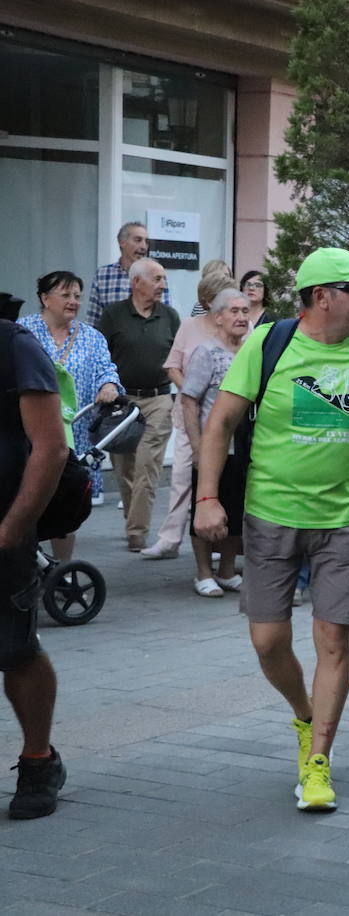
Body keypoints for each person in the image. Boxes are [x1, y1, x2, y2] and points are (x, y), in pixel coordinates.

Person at [193, 248, 349, 812]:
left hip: (343, 521)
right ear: (322, 297)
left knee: (334, 640)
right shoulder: (270, 344)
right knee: (268, 640)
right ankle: (304, 715)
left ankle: (318, 761)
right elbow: (221, 420)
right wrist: (206, 498)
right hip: (271, 515)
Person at [0, 318, 69, 819]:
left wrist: (12, 528)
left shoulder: (13, 344)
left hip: (3, 525)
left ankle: (38, 759)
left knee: (16, 649)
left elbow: (50, 446)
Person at [140, 272, 238, 561]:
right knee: (184, 478)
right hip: (191, 417)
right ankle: (170, 539)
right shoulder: (189, 326)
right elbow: (172, 366)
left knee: (227, 484)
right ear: (208, 301)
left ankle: (219, 543)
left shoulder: (237, 329)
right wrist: (193, 391)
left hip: (226, 424)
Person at [17, 272, 121, 524]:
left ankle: (62, 563)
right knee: (27, 497)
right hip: (31, 430)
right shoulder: (23, 331)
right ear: (45, 298)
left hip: (77, 432)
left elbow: (106, 369)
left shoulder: (91, 336)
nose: (73, 301)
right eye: (65, 295)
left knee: (67, 501)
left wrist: (108, 385)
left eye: (77, 296)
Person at [97, 258, 180, 552]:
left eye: (163, 279)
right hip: (122, 401)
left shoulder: (170, 316)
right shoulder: (113, 315)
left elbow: (179, 357)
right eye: (157, 279)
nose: (162, 285)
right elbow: (100, 355)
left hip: (159, 398)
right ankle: (134, 521)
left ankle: (137, 530)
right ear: (136, 282)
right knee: (124, 468)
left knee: (147, 464)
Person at [182, 289, 252, 597]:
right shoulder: (205, 353)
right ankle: (203, 573)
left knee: (237, 508)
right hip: (213, 446)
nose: (240, 317)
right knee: (205, 504)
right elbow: (188, 401)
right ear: (219, 317)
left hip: (245, 445)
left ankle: (226, 570)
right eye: (234, 311)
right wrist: (197, 448)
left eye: (245, 311)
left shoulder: (251, 352)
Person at [86, 221, 169, 326]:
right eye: (138, 240)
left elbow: (165, 316)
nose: (143, 246)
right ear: (122, 242)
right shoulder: (103, 275)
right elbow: (93, 319)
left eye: (146, 242)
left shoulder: (156, 274)